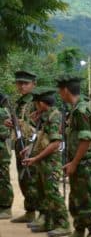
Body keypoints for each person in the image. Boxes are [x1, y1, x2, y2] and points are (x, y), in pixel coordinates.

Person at [56, 75, 91, 237]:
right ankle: (79, 230)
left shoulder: (81, 110)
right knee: (76, 197)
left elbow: (86, 140)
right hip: (77, 160)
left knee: (87, 197)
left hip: (84, 162)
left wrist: (74, 163)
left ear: (66, 90)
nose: (59, 94)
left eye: (60, 91)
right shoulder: (75, 109)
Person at [22, 86, 71, 237]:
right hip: (44, 161)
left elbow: (55, 143)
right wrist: (30, 148)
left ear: (42, 103)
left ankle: (63, 224)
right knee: (44, 193)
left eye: (36, 104)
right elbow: (44, 138)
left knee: (52, 193)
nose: (35, 107)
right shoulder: (46, 116)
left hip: (51, 161)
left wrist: (36, 158)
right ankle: (49, 222)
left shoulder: (54, 117)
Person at [9, 70, 39, 225]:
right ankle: (30, 211)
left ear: (34, 84)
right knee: (23, 179)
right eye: (19, 83)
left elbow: (40, 123)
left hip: (32, 144)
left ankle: (42, 212)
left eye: (25, 83)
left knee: (33, 178)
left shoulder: (36, 101)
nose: (22, 86)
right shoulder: (19, 102)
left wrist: (21, 124)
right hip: (20, 142)